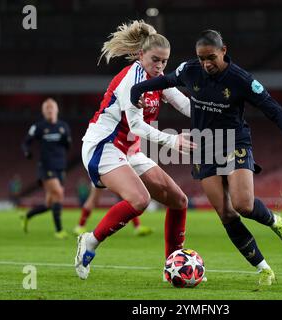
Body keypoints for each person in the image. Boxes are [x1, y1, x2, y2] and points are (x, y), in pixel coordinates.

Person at [131, 30, 282, 286]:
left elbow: (275, 110)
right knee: (226, 214)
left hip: (234, 142)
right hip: (205, 147)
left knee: (243, 204)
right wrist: (137, 89)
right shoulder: (190, 69)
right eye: (202, 58)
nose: (206, 64)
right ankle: (264, 269)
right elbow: (165, 81)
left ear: (224, 51)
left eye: (211, 58)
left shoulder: (241, 80)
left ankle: (275, 222)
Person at [75, 20, 195, 280]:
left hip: (129, 149)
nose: (160, 67)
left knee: (179, 201)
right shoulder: (133, 78)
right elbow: (137, 125)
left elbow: (185, 105)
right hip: (103, 146)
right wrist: (173, 142)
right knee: (140, 199)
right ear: (141, 55)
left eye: (164, 61)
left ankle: (172, 267)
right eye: (155, 60)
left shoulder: (159, 79)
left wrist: (217, 111)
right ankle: (90, 241)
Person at [21, 98, 72, 239]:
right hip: (45, 167)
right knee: (59, 193)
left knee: (50, 204)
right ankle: (59, 231)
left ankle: (27, 216)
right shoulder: (38, 127)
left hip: (60, 167)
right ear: (43, 111)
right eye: (47, 108)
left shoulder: (64, 126)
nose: (50, 110)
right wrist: (27, 152)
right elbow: (26, 143)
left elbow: (68, 145)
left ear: (57, 110)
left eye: (52, 107)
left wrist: (65, 141)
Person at [73, 185, 154, 236]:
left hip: (112, 167)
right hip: (102, 168)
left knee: (128, 198)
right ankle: (80, 226)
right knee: (93, 199)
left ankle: (137, 227)